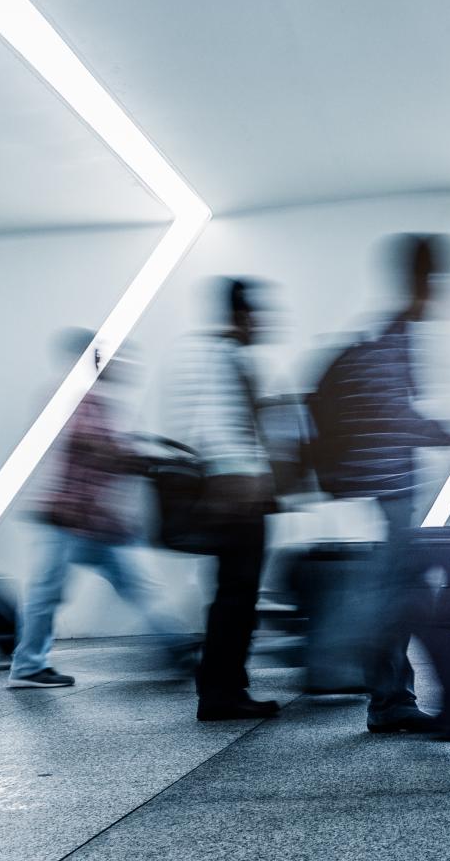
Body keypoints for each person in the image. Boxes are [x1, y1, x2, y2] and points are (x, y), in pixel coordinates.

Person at [309, 234, 450, 735]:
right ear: (426, 279)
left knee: (399, 592)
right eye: (439, 280)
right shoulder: (396, 336)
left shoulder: (396, 333)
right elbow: (396, 416)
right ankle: (345, 648)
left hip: (386, 482)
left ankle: (389, 699)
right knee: (393, 594)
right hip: (391, 483)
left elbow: (395, 412)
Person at [8, 330, 188, 689]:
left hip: (94, 521)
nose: (112, 364)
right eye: (103, 357)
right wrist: (143, 459)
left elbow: (106, 449)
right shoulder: (73, 399)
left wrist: (140, 455)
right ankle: (27, 667)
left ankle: (176, 643)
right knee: (48, 593)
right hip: (68, 517)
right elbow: (94, 447)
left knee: (134, 584)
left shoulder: (93, 401)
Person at [166, 279, 283, 720]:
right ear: (240, 315)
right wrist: (247, 481)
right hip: (236, 495)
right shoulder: (224, 359)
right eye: (256, 313)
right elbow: (221, 428)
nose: (263, 322)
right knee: (237, 596)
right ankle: (220, 692)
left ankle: (222, 681)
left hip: (233, 491)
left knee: (232, 595)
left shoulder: (216, 356)